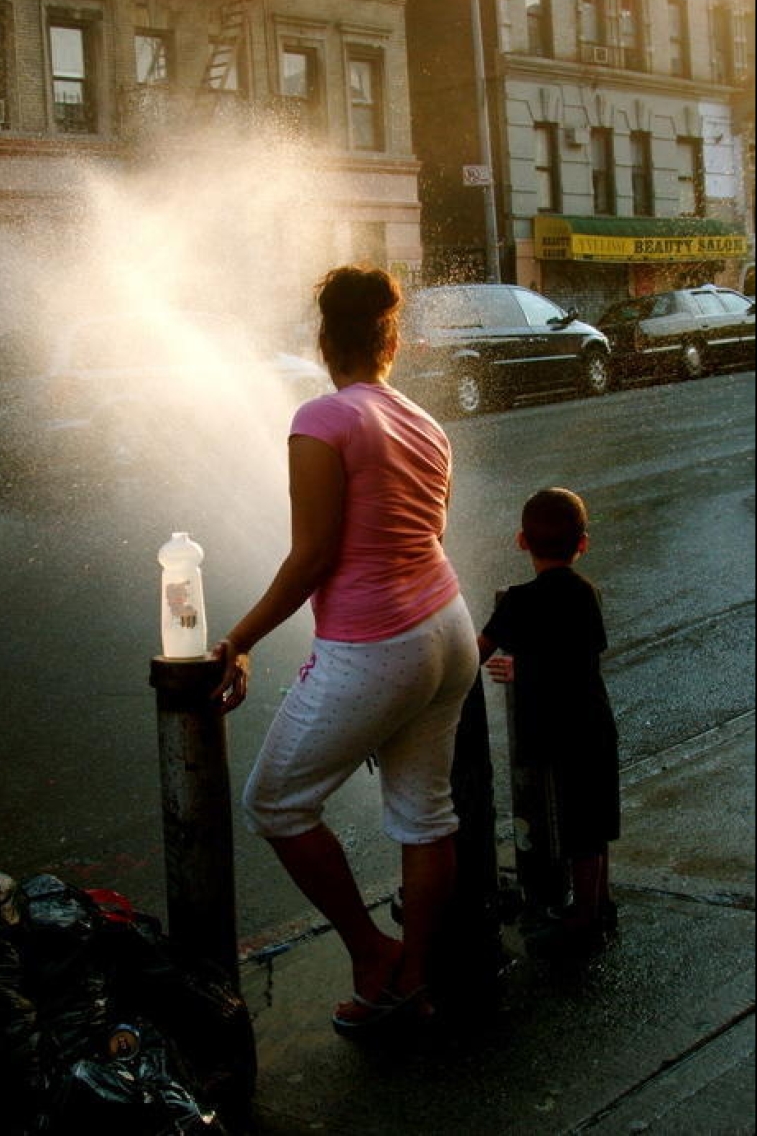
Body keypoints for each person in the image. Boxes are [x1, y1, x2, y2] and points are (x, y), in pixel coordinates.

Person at [212, 265, 479, 1033]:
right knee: (426, 815)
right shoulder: (426, 425)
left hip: (378, 645)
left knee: (274, 801)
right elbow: (424, 536)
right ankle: (413, 982)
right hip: (447, 627)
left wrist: (237, 639)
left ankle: (370, 952)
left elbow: (311, 556)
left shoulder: (322, 419)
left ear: (324, 338)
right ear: (390, 339)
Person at [477, 487, 620, 952]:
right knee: (592, 822)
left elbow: (476, 652)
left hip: (550, 730)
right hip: (591, 723)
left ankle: (580, 918)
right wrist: (530, 665)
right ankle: (596, 903)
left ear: (521, 541)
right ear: (583, 543)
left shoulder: (516, 601)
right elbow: (583, 659)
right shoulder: (586, 593)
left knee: (566, 821)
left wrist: (520, 668)